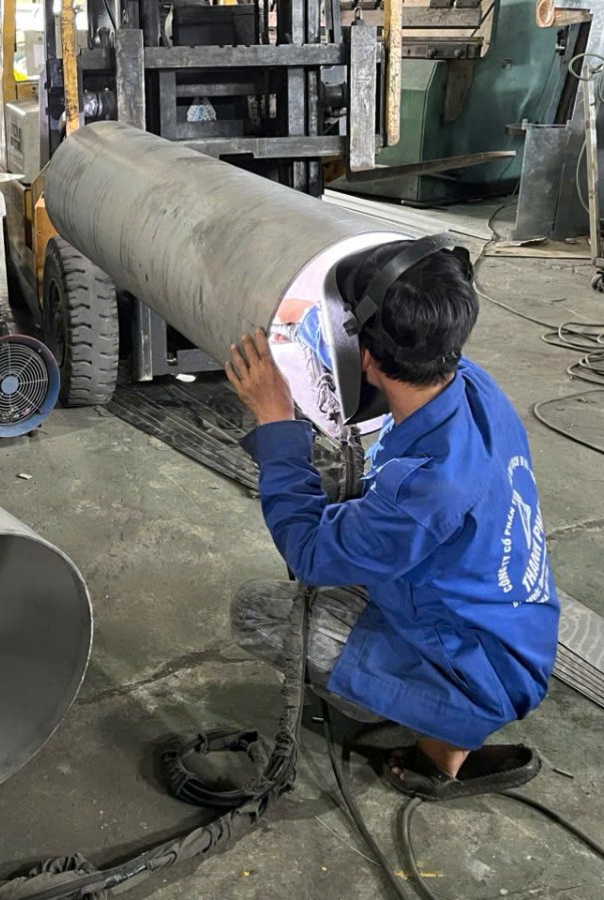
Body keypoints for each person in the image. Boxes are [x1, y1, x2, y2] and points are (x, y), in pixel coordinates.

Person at [225, 239, 560, 801]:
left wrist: (276, 421)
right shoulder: (474, 386)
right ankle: (433, 704)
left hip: (476, 672)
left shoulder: (425, 490)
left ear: (367, 360)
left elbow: (308, 552)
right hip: (515, 629)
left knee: (256, 611)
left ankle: (445, 747)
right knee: (350, 539)